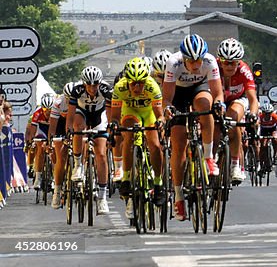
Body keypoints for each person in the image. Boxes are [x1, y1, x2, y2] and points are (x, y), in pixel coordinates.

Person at [162, 34, 224, 222]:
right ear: (184, 58)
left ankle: (208, 157)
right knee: (178, 144)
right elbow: (167, 99)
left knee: (206, 107)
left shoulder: (210, 61)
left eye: (198, 60)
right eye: (191, 61)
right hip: (178, 92)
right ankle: (179, 196)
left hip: (200, 87)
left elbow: (218, 93)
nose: (196, 65)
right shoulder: (173, 63)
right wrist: (167, 110)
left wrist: (219, 105)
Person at [108, 57, 164, 220]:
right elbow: (116, 117)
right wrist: (114, 125)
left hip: (148, 113)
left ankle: (158, 182)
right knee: (129, 137)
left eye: (141, 82)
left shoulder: (152, 86)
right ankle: (126, 177)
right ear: (127, 80)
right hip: (130, 111)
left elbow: (159, 114)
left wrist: (160, 122)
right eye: (134, 83)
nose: (137, 86)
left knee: (154, 145)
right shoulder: (119, 87)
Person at [66, 66, 115, 214]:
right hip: (83, 113)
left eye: (95, 85)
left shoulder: (106, 90)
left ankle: (102, 197)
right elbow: (71, 113)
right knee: (78, 125)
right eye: (89, 84)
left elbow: (110, 111)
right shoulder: (77, 90)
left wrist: (111, 128)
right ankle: (77, 164)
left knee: (101, 154)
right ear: (84, 83)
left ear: (100, 83)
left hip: (99, 116)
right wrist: (69, 128)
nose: (92, 88)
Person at [215, 38, 258, 183]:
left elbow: (253, 99)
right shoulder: (213, 66)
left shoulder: (244, 70)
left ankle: (235, 165)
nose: (229, 66)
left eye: (233, 62)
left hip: (238, 99)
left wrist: (253, 114)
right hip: (218, 99)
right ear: (220, 61)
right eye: (226, 62)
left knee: (232, 120)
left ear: (239, 62)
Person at [24, 93, 54, 190]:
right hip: (42, 130)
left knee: (55, 150)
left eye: (50, 110)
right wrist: (31, 141)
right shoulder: (37, 113)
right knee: (40, 149)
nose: (48, 112)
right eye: (45, 109)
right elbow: (32, 129)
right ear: (42, 108)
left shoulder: (56, 112)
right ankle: (38, 177)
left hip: (53, 128)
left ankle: (54, 177)